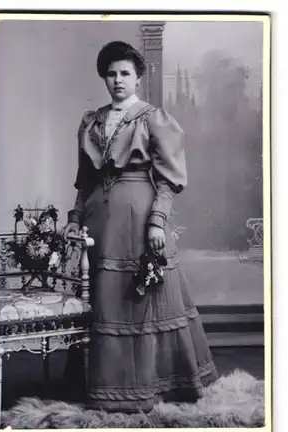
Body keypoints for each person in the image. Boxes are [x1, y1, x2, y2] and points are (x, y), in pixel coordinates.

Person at [63, 40, 219, 413]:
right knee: (103, 301)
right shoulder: (92, 120)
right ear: (104, 77)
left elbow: (167, 180)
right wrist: (73, 218)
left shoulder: (153, 118)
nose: (118, 80)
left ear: (138, 78)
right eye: (111, 74)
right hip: (100, 222)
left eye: (125, 74)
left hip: (139, 216)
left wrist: (157, 221)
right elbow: (85, 180)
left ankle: (151, 387)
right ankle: (105, 388)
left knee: (142, 299)